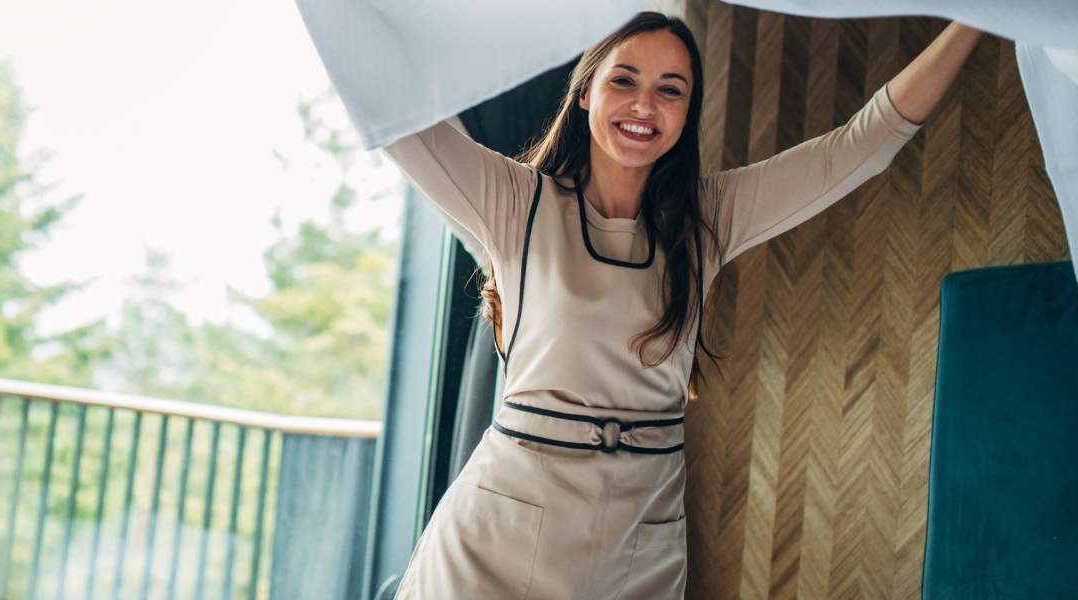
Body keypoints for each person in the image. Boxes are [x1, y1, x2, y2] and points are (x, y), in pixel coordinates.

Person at [380, 11, 981, 599]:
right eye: (624, 80)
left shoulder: (708, 219)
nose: (645, 105)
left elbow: (864, 143)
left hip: (639, 537)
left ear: (687, 113)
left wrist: (977, 17)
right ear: (586, 91)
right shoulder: (516, 203)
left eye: (670, 90)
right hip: (498, 536)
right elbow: (391, 115)